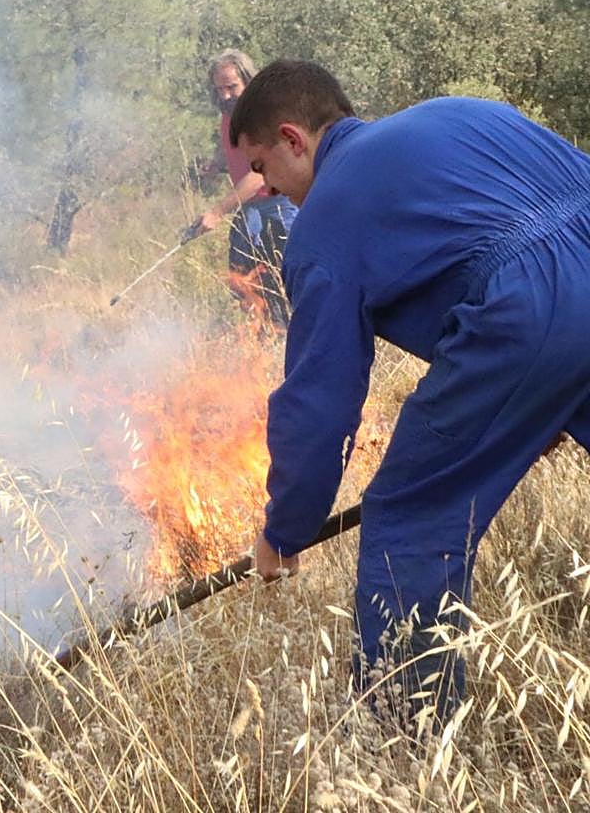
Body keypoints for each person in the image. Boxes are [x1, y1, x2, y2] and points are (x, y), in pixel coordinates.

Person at [231, 59, 590, 726]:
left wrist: (283, 532)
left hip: (527, 311)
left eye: (261, 167)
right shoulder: (457, 110)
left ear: (292, 138)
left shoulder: (326, 221)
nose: (266, 188)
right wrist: (541, 404)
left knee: (407, 519)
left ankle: (409, 740)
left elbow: (321, 402)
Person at [186, 50, 298, 325]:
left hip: (281, 208)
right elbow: (233, 151)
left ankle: (289, 341)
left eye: (232, 87)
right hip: (251, 210)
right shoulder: (229, 115)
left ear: (248, 81)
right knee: (245, 283)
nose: (225, 95)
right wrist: (215, 165)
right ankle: (262, 341)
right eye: (219, 89)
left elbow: (259, 175)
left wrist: (216, 211)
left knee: (286, 283)